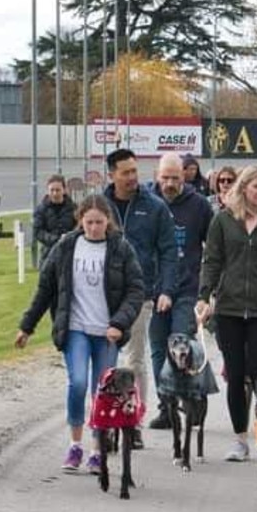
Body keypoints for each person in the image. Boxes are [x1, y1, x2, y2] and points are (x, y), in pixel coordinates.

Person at [15, 195, 145, 473]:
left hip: (106, 332)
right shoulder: (65, 247)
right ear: (80, 220)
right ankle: (75, 444)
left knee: (103, 391)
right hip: (75, 328)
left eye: (99, 222)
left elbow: (135, 291)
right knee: (77, 383)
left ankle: (98, 448)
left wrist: (119, 323)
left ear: (108, 221)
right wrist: (27, 326)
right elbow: (45, 289)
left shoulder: (121, 249)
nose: (94, 228)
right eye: (89, 222)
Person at [197, 165, 257, 462]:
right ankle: (240, 439)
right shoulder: (223, 221)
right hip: (228, 307)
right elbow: (212, 261)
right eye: (256, 187)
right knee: (236, 373)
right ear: (243, 188)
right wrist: (204, 296)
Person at [103, 148, 178, 450]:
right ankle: (105, 424)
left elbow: (169, 252)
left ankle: (132, 422)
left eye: (135, 171)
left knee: (134, 360)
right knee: (106, 362)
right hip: (102, 296)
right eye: (126, 172)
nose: (133, 177)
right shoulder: (100, 206)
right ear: (112, 175)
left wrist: (166, 289)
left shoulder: (155, 207)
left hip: (140, 294)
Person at [146, 153, 215, 430]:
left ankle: (192, 396)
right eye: (165, 178)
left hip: (187, 287)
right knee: (158, 348)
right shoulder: (147, 203)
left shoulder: (198, 206)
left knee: (181, 343)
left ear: (184, 176)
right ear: (156, 175)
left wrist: (209, 291)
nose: (170, 183)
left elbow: (213, 246)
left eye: (176, 178)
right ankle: (167, 406)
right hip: (154, 289)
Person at [32, 174, 77, 266]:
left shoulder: (74, 208)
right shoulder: (41, 210)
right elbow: (37, 231)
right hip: (48, 254)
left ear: (64, 190)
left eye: (58, 190)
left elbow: (79, 227)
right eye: (52, 190)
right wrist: (55, 240)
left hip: (69, 254)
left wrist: (69, 237)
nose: (55, 193)